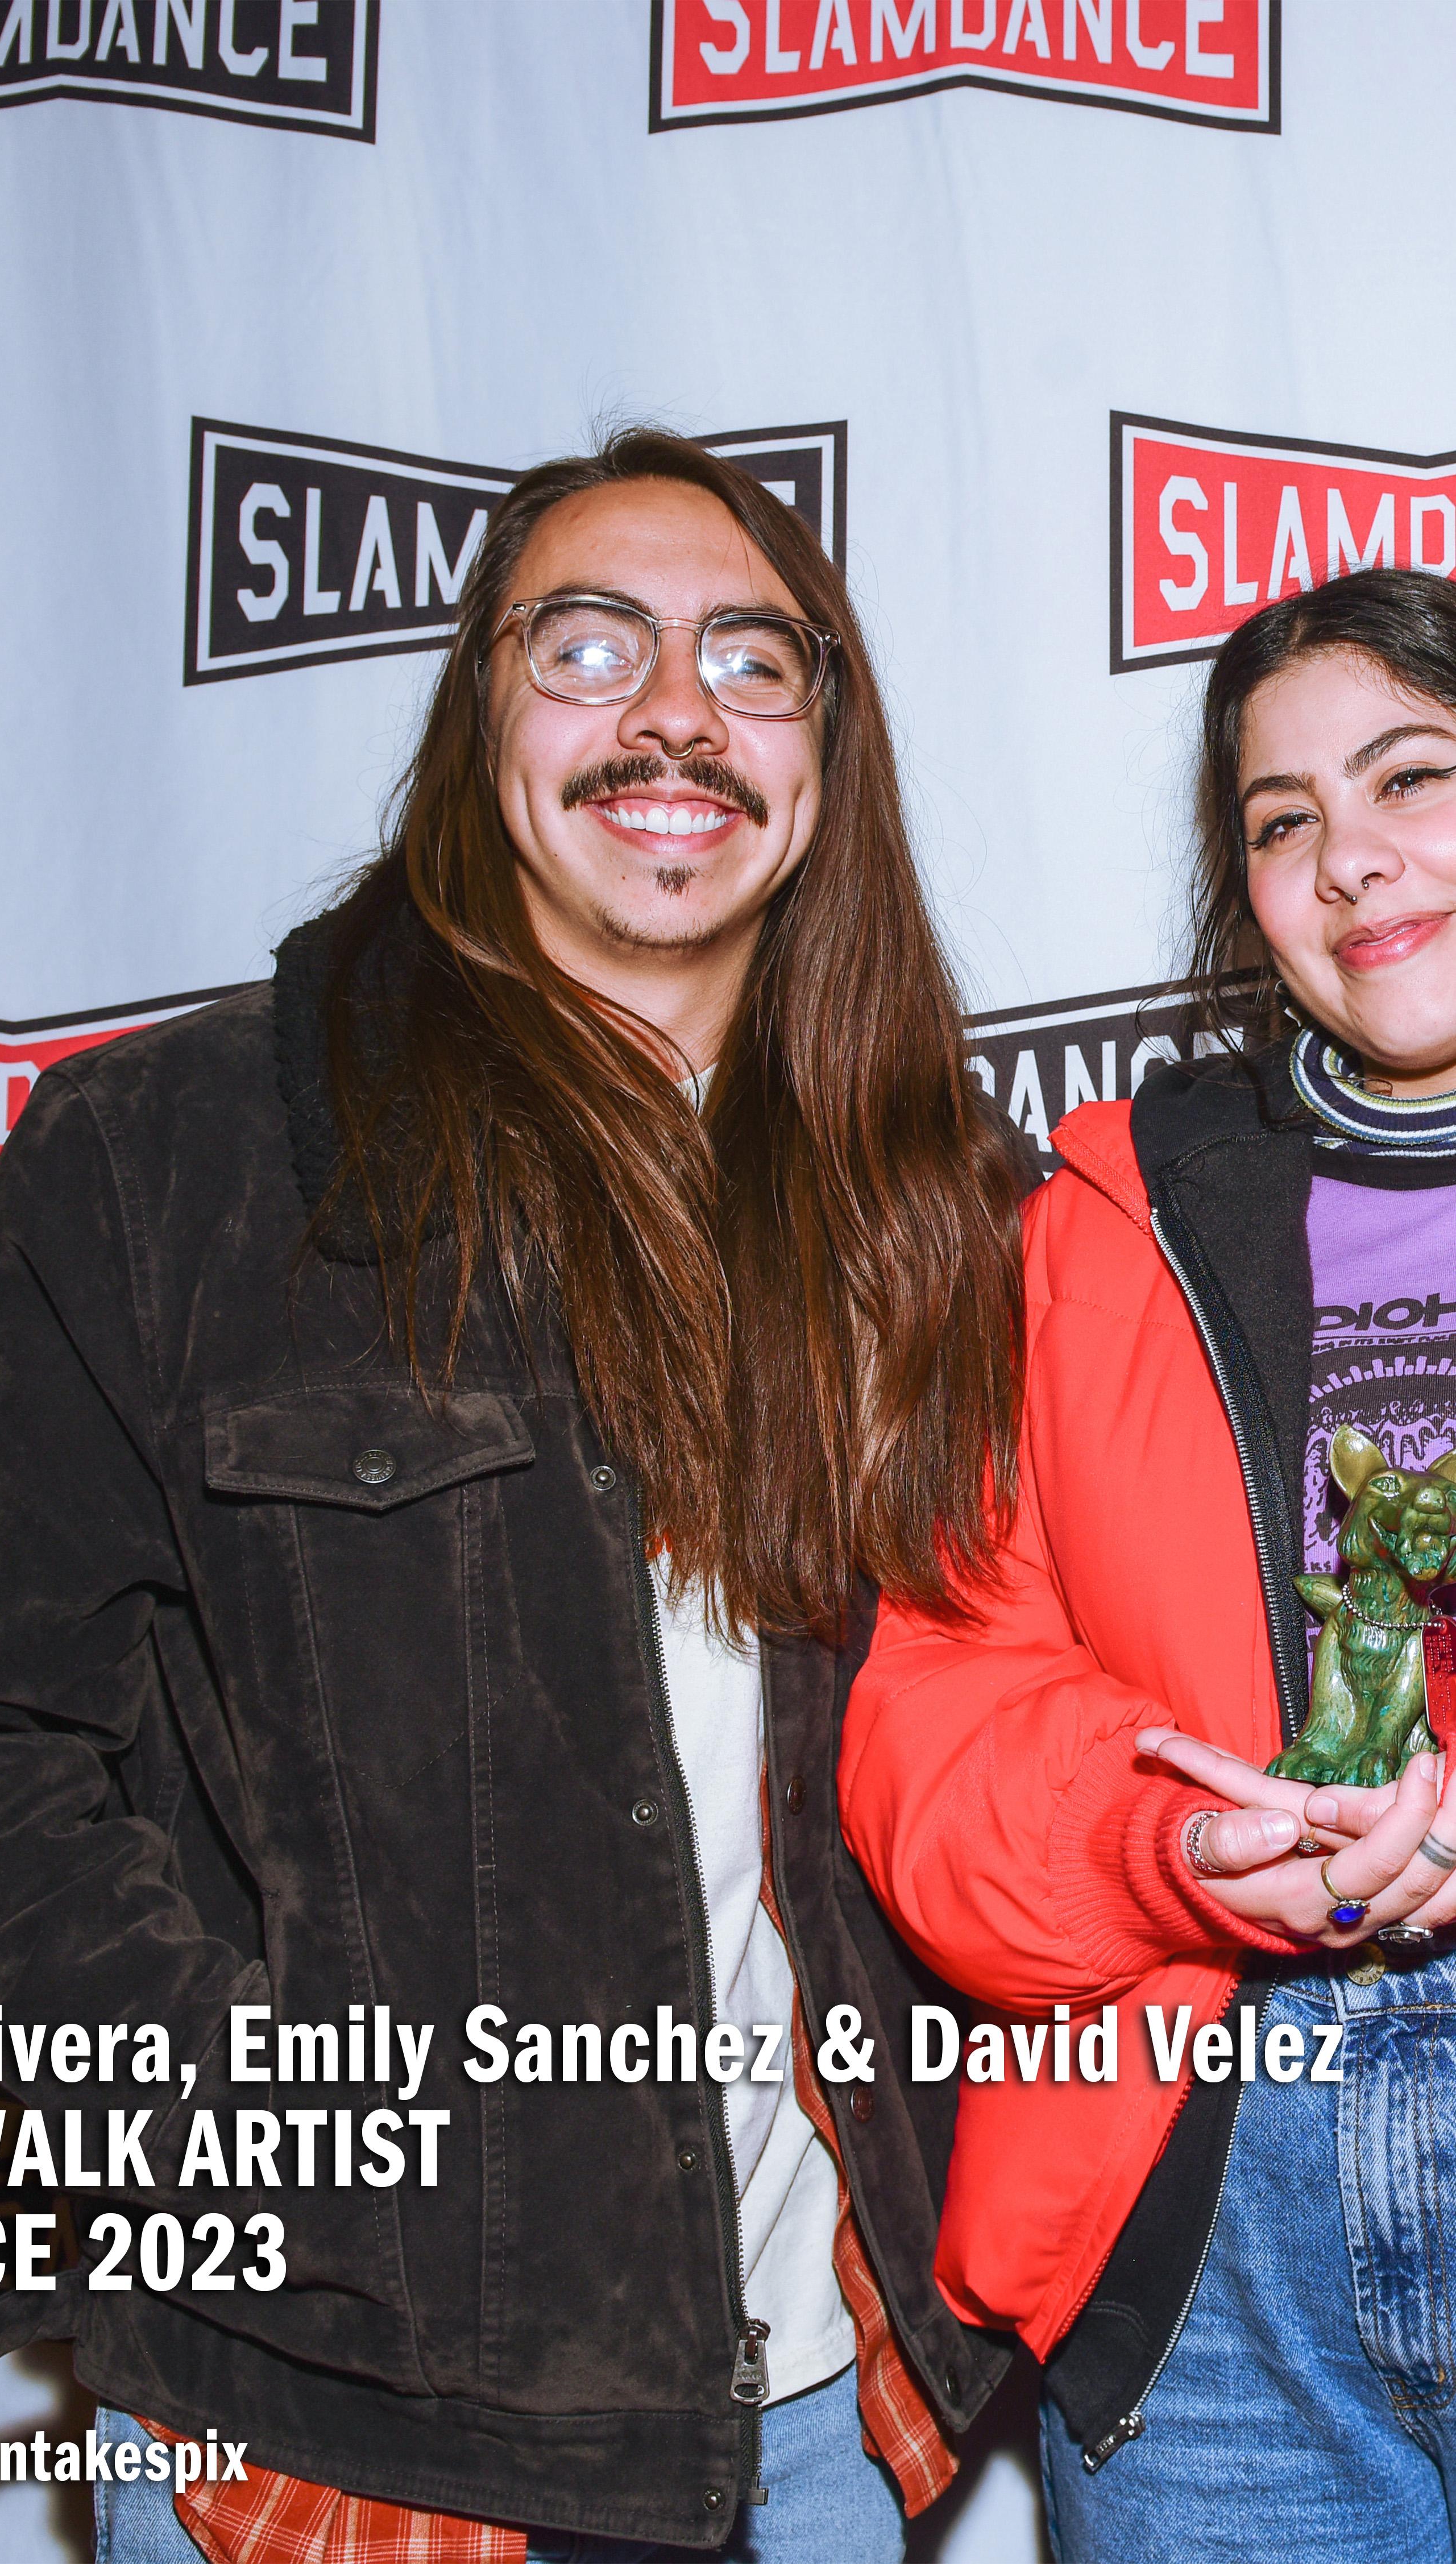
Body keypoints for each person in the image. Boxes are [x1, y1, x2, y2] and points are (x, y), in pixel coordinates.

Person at [0, 428, 1025, 2564]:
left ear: (825, 754)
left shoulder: (931, 1204)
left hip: (816, 2409)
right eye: (590, 645)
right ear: (479, 717)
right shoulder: (180, 1165)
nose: (674, 714)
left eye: (751, 661)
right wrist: (266, 2144)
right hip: (350, 2438)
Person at [840, 564, 1456, 2562]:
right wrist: (1167, 1845)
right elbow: (939, 1718)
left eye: (1413, 778)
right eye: (1284, 822)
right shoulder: (1098, 1223)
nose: (1350, 862)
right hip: (1214, 2220)